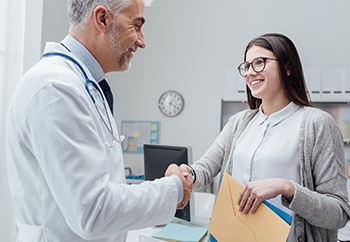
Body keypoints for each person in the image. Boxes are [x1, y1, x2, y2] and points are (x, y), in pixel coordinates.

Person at [6, 0, 193, 241]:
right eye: (136, 26)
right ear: (102, 19)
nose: (142, 41)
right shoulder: (55, 88)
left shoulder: (84, 85)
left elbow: (98, 193)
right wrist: (173, 188)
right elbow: (94, 211)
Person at [183, 33, 350, 241]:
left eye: (260, 63)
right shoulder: (239, 122)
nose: (250, 73)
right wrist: (184, 174)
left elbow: (339, 213)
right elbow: (205, 169)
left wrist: (286, 187)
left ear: (288, 68)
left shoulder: (317, 124)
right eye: (246, 66)